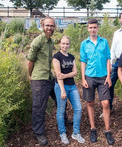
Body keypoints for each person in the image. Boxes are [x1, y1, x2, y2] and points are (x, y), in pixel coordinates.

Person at [80, 18, 114, 145]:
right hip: (89, 76)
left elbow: (108, 59)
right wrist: (83, 78)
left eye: (95, 27)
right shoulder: (84, 44)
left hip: (103, 76)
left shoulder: (104, 42)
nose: (93, 29)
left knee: (105, 103)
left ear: (97, 28)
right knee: (90, 102)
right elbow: (83, 61)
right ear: (88, 29)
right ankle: (93, 128)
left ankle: (107, 130)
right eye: (90, 27)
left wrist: (109, 76)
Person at [27, 17, 56, 146]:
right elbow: (30, 61)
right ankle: (38, 132)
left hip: (49, 78)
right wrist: (30, 76)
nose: (50, 28)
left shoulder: (51, 42)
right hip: (39, 79)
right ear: (42, 26)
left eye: (52, 26)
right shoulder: (37, 42)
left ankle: (64, 120)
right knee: (39, 107)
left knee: (61, 98)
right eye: (47, 25)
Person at [53, 36, 85, 145]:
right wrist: (62, 90)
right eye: (63, 43)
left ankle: (76, 132)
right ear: (59, 44)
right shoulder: (56, 57)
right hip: (61, 86)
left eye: (67, 44)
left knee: (78, 109)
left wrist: (65, 75)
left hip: (72, 86)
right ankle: (62, 133)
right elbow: (58, 75)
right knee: (61, 110)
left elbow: (75, 72)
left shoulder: (71, 57)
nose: (65, 46)